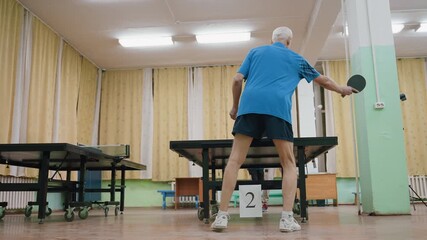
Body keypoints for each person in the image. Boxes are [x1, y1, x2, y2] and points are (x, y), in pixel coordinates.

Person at [210, 26, 354, 232]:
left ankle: (222, 216)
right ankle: (286, 219)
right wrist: (342, 89)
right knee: (288, 163)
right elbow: (324, 80)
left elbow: (236, 80)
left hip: (249, 106)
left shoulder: (255, 52)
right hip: (277, 108)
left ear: (272, 39)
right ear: (289, 41)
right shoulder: (296, 59)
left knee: (234, 160)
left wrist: (235, 106)